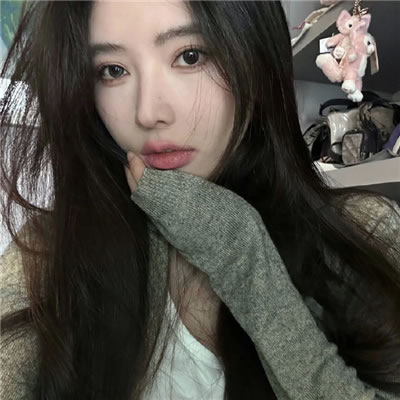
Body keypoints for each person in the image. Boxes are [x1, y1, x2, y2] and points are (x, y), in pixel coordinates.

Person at [0, 1, 399, 399]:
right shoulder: (47, 248)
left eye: (190, 56)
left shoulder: (369, 228)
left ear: (255, 55)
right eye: (113, 70)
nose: (148, 113)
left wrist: (240, 251)